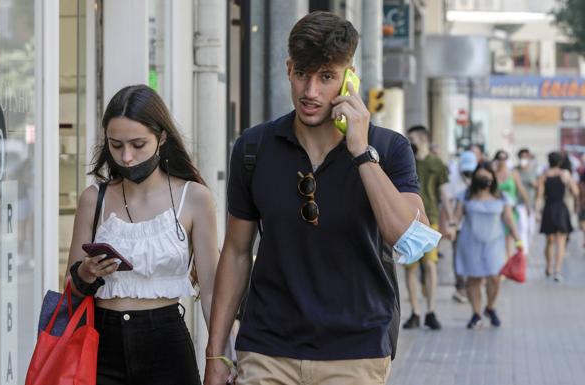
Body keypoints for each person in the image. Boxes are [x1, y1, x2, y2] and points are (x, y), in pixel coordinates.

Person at [204, 11, 436, 385]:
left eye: (326, 77)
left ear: (349, 79)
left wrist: (361, 153)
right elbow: (236, 252)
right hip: (267, 347)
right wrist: (216, 352)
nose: (310, 92)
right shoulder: (253, 147)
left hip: (355, 351)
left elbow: (406, 239)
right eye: (302, 75)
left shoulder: (389, 149)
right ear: (288, 69)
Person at [65, 85, 220, 384]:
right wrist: (85, 273)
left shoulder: (195, 198)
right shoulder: (92, 198)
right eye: (116, 144)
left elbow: (212, 291)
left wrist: (220, 355)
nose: (126, 157)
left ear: (162, 138)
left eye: (138, 144)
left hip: (167, 345)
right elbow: (68, 288)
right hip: (100, 346)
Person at [453, 161, 521, 329]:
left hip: (494, 243)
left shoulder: (502, 197)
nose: (484, 179)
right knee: (474, 279)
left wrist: (518, 239)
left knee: (495, 278)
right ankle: (476, 314)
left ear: (493, 177)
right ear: (475, 177)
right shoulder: (465, 195)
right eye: (480, 176)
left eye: (487, 176)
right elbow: (456, 216)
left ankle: (490, 307)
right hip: (470, 242)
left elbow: (509, 220)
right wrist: (450, 227)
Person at [403, 125, 455, 330]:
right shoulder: (406, 161)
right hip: (407, 220)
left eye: (413, 139)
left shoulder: (436, 163)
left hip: (429, 218)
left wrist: (450, 220)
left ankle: (431, 310)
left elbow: (444, 193)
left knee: (431, 264)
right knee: (411, 267)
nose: (410, 143)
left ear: (423, 139)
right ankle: (415, 311)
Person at [536, 152, 579, 282]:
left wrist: (537, 212)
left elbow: (539, 195)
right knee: (560, 242)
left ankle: (548, 266)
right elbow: (575, 191)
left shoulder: (543, 176)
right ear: (560, 162)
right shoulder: (565, 174)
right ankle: (557, 270)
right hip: (561, 209)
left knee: (549, 241)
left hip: (548, 208)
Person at [448, 150, 478, 303]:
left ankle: (471, 285)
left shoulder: (478, 180)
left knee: (472, 256)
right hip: (458, 227)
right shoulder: (454, 180)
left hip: (475, 227)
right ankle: (460, 287)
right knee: (458, 257)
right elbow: (448, 202)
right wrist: (450, 225)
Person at [493, 150, 530, 257]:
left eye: (504, 158)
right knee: (501, 238)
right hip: (498, 210)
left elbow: (521, 189)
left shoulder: (513, 173)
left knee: (508, 237)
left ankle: (508, 260)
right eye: (500, 158)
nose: (502, 161)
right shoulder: (493, 174)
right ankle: (503, 260)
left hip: (510, 210)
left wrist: (527, 204)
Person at [515, 148, 538, 254]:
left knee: (531, 229)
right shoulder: (515, 170)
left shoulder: (534, 170)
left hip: (531, 202)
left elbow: (540, 187)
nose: (523, 159)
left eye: (525, 157)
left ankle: (527, 245)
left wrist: (535, 184)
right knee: (522, 227)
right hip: (519, 202)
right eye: (521, 157)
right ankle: (524, 251)